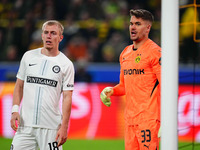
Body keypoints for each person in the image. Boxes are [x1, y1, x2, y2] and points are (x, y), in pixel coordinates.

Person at [100, 9, 161, 150]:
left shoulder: (155, 52)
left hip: (148, 119)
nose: (132, 27)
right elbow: (124, 86)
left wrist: (167, 119)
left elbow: (166, 87)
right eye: (131, 23)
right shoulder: (125, 53)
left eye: (138, 24)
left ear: (148, 28)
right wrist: (111, 90)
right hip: (130, 120)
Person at [10, 20, 75, 150]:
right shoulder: (28, 56)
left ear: (60, 38)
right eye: (46, 32)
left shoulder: (66, 64)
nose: (49, 36)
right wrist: (14, 110)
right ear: (42, 35)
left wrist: (64, 127)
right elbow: (19, 86)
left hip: (50, 128)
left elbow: (68, 97)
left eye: (53, 33)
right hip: (25, 126)